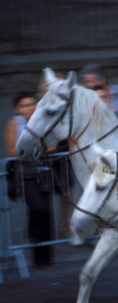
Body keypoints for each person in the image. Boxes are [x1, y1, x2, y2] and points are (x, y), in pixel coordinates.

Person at [4, 92, 54, 268]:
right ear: (18, 109)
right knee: (38, 207)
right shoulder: (15, 122)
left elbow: (52, 145)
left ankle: (44, 260)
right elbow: (12, 149)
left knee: (46, 211)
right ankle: (32, 236)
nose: (30, 108)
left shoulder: (44, 120)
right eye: (25, 105)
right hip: (24, 172)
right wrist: (37, 148)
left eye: (33, 104)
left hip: (43, 171)